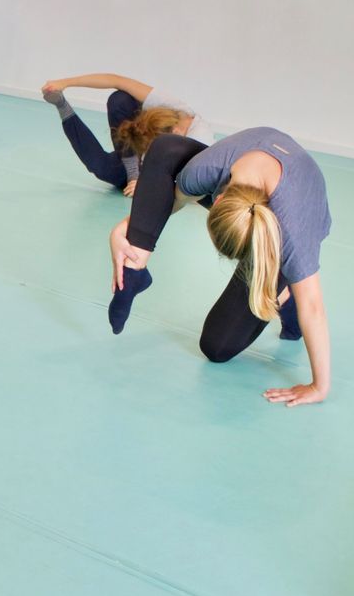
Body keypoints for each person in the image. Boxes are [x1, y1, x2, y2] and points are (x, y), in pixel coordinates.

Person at [107, 127, 332, 404]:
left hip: (286, 224)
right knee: (167, 149)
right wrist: (125, 231)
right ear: (217, 199)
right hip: (251, 196)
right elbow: (171, 202)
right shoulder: (204, 171)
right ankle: (134, 267)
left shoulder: (294, 235)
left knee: (217, 347)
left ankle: (283, 295)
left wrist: (319, 387)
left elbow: (313, 305)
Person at [39, 74, 217, 194]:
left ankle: (136, 173)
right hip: (137, 163)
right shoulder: (175, 108)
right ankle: (62, 106)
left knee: (102, 168)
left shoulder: (200, 144)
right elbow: (117, 80)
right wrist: (65, 83)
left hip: (162, 175)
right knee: (120, 99)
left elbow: (191, 190)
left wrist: (147, 185)